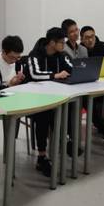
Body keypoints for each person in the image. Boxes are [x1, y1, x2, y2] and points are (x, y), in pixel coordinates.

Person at [27, 27, 71, 176]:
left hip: (54, 96)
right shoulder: (35, 54)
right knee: (44, 115)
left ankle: (66, 141)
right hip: (34, 98)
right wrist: (55, 75)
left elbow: (73, 69)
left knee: (67, 108)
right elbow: (35, 74)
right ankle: (42, 156)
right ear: (52, 42)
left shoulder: (61, 55)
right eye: (61, 42)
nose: (64, 45)